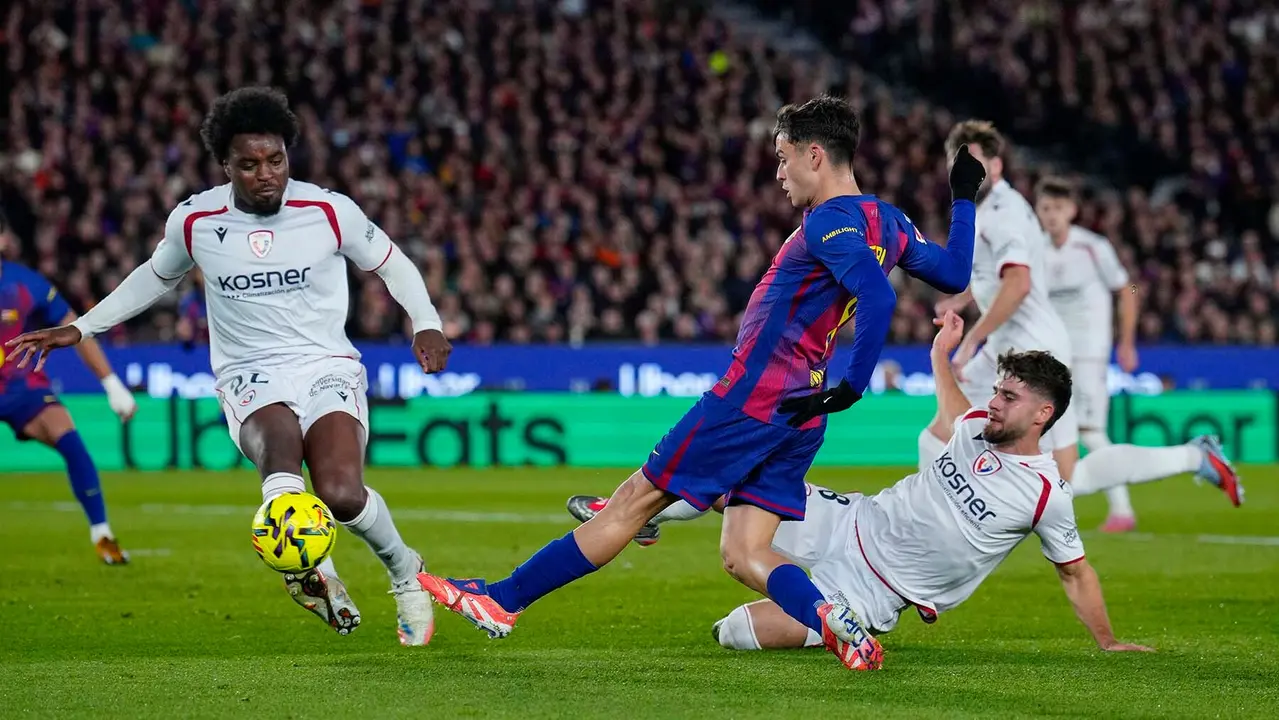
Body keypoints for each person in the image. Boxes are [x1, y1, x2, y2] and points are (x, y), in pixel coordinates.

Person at [416, 95, 986, 672]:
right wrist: (963, 197)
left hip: (753, 397)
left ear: (816, 154)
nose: (780, 172)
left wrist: (856, 382)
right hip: (801, 412)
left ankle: (501, 600)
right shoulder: (887, 221)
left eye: (785, 158)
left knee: (631, 502)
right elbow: (954, 273)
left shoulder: (830, 220)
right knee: (743, 553)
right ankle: (830, 616)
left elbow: (878, 293)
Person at [5, 87, 451, 647]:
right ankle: (314, 572)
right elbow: (152, 277)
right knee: (283, 479)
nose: (266, 174)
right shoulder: (195, 220)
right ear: (226, 166)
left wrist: (426, 321)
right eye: (249, 164)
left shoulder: (329, 211)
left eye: (276, 160)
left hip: (325, 365)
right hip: (250, 373)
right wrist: (83, 327)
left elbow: (393, 263)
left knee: (339, 493)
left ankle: (405, 572)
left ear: (289, 155)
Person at [571, 312, 1156, 666]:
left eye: (1010, 396)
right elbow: (953, 409)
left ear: (1043, 415)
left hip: (873, 593)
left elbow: (1075, 572)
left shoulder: (1047, 494)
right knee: (745, 479)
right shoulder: (978, 428)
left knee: (735, 633)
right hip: (852, 520)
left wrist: (1107, 642)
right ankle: (639, 514)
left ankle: (804, 604)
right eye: (999, 390)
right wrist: (939, 353)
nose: (995, 401)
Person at [1037, 177, 1243, 530]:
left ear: (1072, 210)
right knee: (1057, 431)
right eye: (1045, 208)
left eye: (1058, 208)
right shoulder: (1035, 248)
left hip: (1088, 352)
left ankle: (1122, 510)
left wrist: (1127, 340)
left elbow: (1128, 287)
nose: (1051, 215)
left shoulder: (1093, 247)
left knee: (1087, 429)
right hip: (1051, 352)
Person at [924, 120, 1081, 482]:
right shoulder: (984, 209)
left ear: (995, 166)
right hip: (1007, 344)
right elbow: (995, 274)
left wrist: (971, 341)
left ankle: (1186, 458)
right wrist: (962, 298)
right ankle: (931, 529)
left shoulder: (1003, 213)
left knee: (1063, 476)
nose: (963, 171)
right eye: (957, 163)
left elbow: (1018, 282)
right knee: (938, 435)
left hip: (1036, 350)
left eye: (974, 161)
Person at [0, 212, 138, 564]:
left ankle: (102, 534)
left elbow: (75, 328)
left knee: (71, 442)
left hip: (19, 387)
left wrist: (111, 384)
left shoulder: (26, 284)